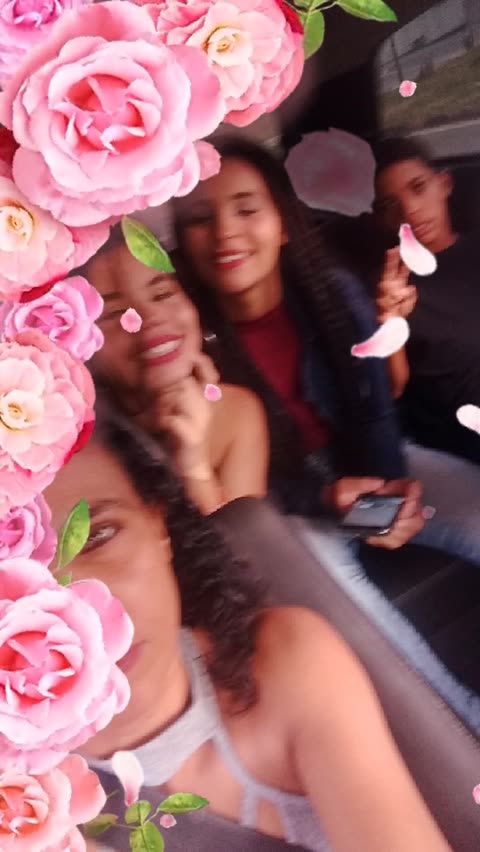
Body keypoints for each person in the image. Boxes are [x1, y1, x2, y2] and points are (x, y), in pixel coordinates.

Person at [44, 401, 451, 852]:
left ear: (158, 528)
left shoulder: (285, 666)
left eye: (99, 535)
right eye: (13, 574)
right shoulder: (23, 811)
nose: (80, 611)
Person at [171, 136, 480, 567]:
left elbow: (376, 411)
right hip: (291, 502)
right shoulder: (187, 340)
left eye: (246, 209)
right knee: (344, 600)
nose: (225, 232)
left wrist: (386, 498)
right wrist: (327, 499)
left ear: (282, 224)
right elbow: (240, 483)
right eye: (200, 219)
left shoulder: (332, 295)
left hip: (369, 462)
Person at [84, 230, 268, 515]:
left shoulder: (237, 411)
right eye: (112, 314)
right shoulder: (87, 451)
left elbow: (246, 541)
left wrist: (192, 463)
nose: (149, 318)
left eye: (162, 294)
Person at [373, 135, 480, 466]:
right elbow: (392, 389)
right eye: (391, 205)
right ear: (383, 219)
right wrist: (391, 325)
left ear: (444, 184)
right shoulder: (391, 290)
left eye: (418, 188)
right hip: (461, 439)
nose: (409, 210)